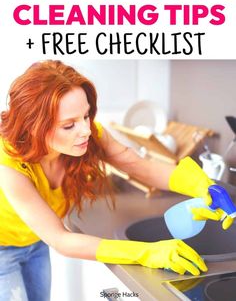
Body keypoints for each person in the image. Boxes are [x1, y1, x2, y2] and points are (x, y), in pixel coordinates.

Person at [0, 60, 233, 301]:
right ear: (35, 127)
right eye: (69, 125)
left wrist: (200, 185)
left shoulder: (89, 134)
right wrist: (145, 252)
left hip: (35, 242)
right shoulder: (9, 165)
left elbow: (139, 167)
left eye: (86, 115)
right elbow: (60, 239)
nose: (86, 130)